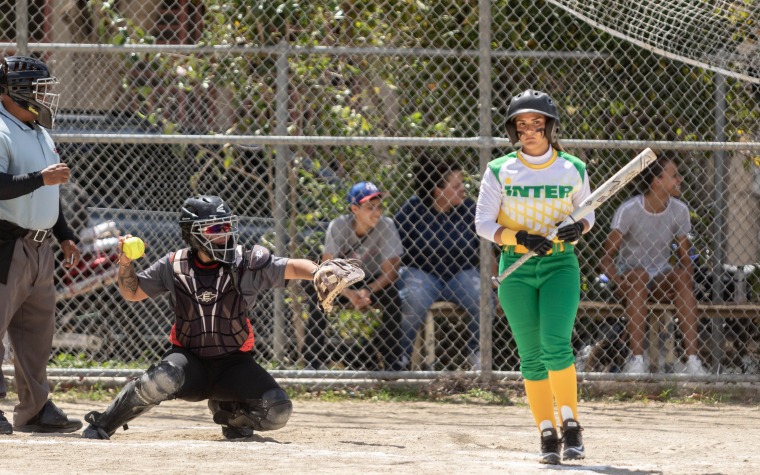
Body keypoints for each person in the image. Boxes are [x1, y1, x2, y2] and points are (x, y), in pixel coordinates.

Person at [82, 195, 339, 440]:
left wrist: (318, 272)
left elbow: (292, 266)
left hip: (234, 364)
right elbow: (132, 292)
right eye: (214, 229)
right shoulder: (174, 264)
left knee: (277, 410)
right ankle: (104, 422)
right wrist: (125, 263)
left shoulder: (246, 262)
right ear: (193, 234)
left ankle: (229, 414)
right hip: (189, 361)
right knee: (161, 378)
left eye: (226, 226)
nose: (224, 234)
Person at [475, 89, 592, 464]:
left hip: (561, 264)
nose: (529, 130)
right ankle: (546, 432)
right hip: (516, 267)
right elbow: (483, 223)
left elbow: (587, 212)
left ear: (549, 126)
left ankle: (570, 425)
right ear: (514, 129)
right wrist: (518, 237)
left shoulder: (572, 166)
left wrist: (580, 227)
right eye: (521, 124)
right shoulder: (500, 169)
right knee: (530, 357)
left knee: (555, 344)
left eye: (536, 123)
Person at [0, 55, 82, 435]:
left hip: (40, 248)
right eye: (38, 89)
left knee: (36, 334)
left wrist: (64, 234)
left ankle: (34, 410)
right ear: (15, 92)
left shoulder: (39, 132)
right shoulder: (1, 129)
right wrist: (38, 178)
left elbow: (50, 192)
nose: (45, 95)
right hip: (6, 243)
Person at [600, 156, 708, 376]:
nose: (680, 179)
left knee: (680, 276)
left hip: (660, 277)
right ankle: (636, 361)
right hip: (630, 277)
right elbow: (605, 258)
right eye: (674, 175)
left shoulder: (679, 210)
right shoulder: (629, 210)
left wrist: (685, 283)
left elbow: (685, 259)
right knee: (639, 276)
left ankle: (693, 361)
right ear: (657, 181)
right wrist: (619, 283)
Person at [394, 155, 483, 371]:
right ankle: (400, 357)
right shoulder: (412, 210)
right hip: (421, 274)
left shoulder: (470, 210)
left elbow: (486, 249)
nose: (463, 189)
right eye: (456, 185)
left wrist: (491, 278)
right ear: (438, 191)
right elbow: (394, 252)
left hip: (460, 274)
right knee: (413, 299)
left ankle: (478, 355)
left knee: (481, 296)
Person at [304, 182, 404, 371]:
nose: (377, 212)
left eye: (379, 206)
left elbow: (390, 272)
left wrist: (368, 291)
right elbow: (328, 269)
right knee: (318, 292)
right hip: (343, 281)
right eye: (370, 207)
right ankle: (313, 360)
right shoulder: (339, 225)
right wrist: (349, 294)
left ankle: (392, 360)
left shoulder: (387, 225)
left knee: (393, 296)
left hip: (373, 281)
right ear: (354, 209)